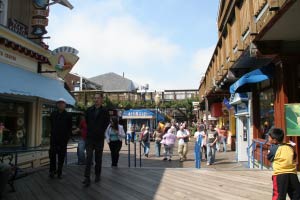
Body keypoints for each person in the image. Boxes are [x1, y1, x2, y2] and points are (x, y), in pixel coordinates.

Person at [83, 93, 110, 187]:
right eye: (95, 98)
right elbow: (86, 121)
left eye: (98, 98)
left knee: (98, 158)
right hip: (90, 138)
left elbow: (107, 122)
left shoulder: (105, 111)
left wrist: (100, 130)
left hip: (99, 138)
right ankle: (87, 177)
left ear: (101, 99)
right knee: (89, 157)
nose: (96, 100)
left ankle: (97, 175)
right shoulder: (89, 110)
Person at [267, 128, 300, 200]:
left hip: (280, 175)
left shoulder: (274, 149)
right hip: (292, 174)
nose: (268, 138)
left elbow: (269, 158)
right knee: (296, 195)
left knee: (279, 196)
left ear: (274, 140)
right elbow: (294, 156)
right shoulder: (290, 147)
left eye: (269, 137)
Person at [49, 98, 72, 179]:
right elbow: (51, 125)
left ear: (65, 105)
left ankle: (59, 172)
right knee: (52, 155)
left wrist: (67, 137)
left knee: (61, 156)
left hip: (63, 139)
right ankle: (52, 171)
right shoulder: (53, 114)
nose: (60, 105)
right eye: (59, 103)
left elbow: (69, 128)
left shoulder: (68, 115)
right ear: (57, 104)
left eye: (62, 103)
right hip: (54, 139)